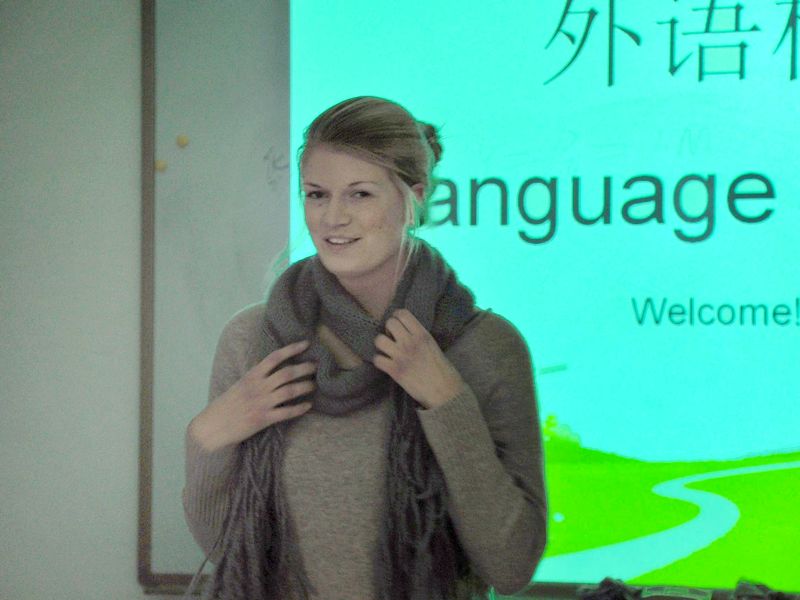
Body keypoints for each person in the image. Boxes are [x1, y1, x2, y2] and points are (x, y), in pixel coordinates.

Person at [183, 96, 547, 600]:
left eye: (359, 195)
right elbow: (231, 554)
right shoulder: (253, 340)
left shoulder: (485, 347)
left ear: (414, 198)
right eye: (316, 194)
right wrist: (206, 438)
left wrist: (448, 403)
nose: (333, 218)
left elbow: (511, 567)